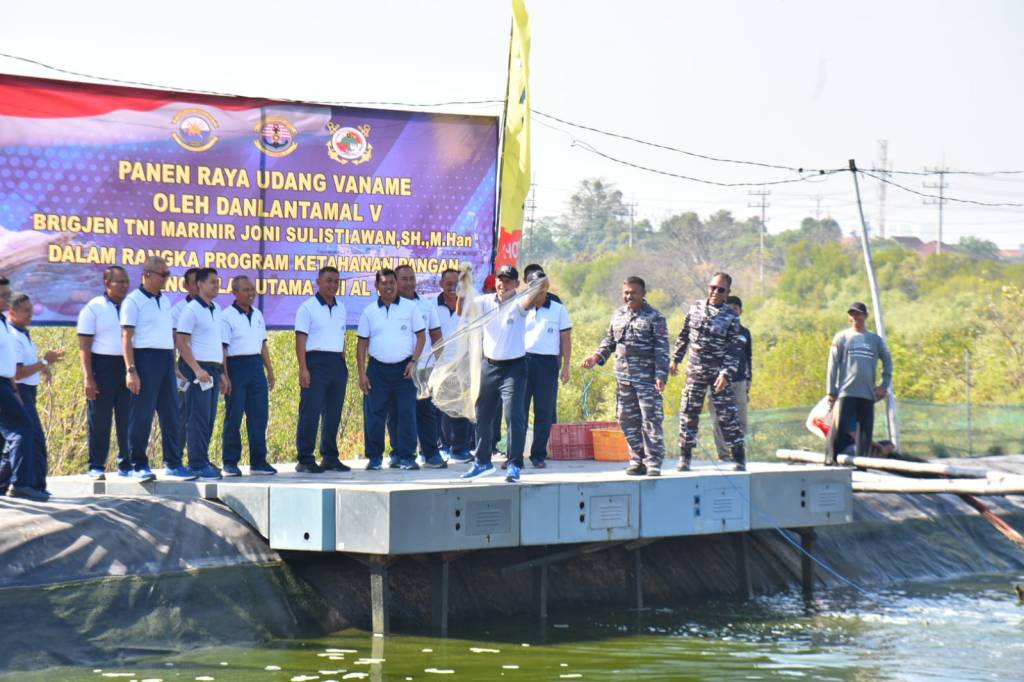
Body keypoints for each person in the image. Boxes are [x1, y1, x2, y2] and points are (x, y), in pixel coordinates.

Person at [457, 264, 548, 482]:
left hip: (514, 369)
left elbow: (536, 291)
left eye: (508, 281)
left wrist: (537, 283)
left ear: (516, 284)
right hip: (489, 366)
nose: (502, 284)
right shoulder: (485, 301)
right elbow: (462, 310)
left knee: (513, 416)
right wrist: (464, 285)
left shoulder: (519, 303)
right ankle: (482, 462)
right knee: (483, 416)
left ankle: (514, 465)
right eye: (500, 280)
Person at [582, 276, 669, 476]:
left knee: (651, 420)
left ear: (643, 294)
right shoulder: (618, 315)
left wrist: (661, 375)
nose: (629, 296)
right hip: (624, 379)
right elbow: (610, 341)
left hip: (647, 380)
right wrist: (596, 357)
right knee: (626, 419)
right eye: (626, 293)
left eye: (633, 293)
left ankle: (653, 462)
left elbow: (662, 350)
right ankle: (637, 459)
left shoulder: (655, 318)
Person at [121, 256, 196, 481]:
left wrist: (173, 367)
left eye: (168, 275)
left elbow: (165, 337)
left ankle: (173, 463)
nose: (166, 279)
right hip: (144, 360)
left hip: (164, 360)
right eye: (163, 275)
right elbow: (126, 337)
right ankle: (138, 465)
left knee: (172, 414)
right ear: (147, 275)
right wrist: (131, 370)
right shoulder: (133, 301)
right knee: (142, 415)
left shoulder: (164, 301)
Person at [671, 272, 746, 471]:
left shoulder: (731, 317)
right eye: (712, 287)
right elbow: (684, 335)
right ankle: (685, 456)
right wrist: (675, 359)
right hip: (695, 372)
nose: (715, 292)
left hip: (718, 374)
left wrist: (726, 373)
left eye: (720, 289)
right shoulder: (695, 308)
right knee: (688, 413)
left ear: (727, 292)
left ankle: (738, 456)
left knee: (727, 416)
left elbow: (734, 349)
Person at [357, 268, 426, 470]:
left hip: (404, 369)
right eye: (384, 283)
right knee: (374, 414)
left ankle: (407, 457)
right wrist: (361, 373)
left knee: (406, 413)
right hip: (377, 370)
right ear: (377, 286)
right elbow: (361, 343)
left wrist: (414, 361)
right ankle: (375, 457)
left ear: (396, 285)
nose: (389, 286)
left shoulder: (410, 308)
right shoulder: (369, 311)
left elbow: (421, 336)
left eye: (392, 283)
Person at [77, 266, 132, 479]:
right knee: (100, 419)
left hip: (127, 367)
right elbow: (84, 346)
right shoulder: (93, 308)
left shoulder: (132, 306)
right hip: (102, 368)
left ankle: (126, 464)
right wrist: (88, 377)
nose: (125, 285)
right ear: (107, 284)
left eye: (127, 281)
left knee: (128, 418)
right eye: (120, 281)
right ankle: (97, 465)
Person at [175, 268, 230, 480]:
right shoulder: (191, 310)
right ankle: (196, 464)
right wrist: (197, 369)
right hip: (197, 370)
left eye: (218, 282)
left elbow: (217, 344)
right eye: (212, 283)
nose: (217, 286)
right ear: (199, 285)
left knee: (208, 419)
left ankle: (203, 459)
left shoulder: (216, 308)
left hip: (213, 370)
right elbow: (181, 342)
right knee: (196, 418)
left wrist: (222, 373)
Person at [294, 266, 351, 473]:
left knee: (333, 412)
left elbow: (342, 337)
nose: (333, 285)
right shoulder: (307, 308)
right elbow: (300, 339)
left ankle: (330, 456)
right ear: (318, 282)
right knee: (310, 411)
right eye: (329, 280)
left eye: (336, 281)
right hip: (315, 362)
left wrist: (343, 363)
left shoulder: (341, 308)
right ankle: (305, 458)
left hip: (336, 361)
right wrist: (303, 368)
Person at [9, 292, 65, 495]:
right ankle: (29, 485)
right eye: (26, 311)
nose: (31, 314)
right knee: (33, 439)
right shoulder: (13, 337)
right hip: (19, 392)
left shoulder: (23, 334)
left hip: (29, 391)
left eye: (32, 310)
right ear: (12, 312)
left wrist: (43, 366)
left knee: (23, 439)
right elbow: (17, 372)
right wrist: (44, 362)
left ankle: (26, 484)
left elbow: (28, 365)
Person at [389, 263, 445, 469]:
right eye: (404, 279)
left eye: (412, 278)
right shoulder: (388, 305)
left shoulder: (426, 306)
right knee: (396, 412)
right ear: (395, 282)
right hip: (397, 367)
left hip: (422, 368)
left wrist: (441, 365)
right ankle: (399, 452)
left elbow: (436, 336)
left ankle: (430, 453)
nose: (409, 283)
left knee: (425, 411)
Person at [220, 275, 277, 476]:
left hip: (255, 367)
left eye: (252, 289)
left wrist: (269, 370)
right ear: (234, 293)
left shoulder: (258, 314)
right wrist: (224, 376)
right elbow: (223, 349)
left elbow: (262, 344)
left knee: (259, 415)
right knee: (234, 416)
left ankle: (259, 461)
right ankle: (230, 461)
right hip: (236, 367)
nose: (251, 293)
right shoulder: (226, 316)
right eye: (245, 290)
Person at [825, 301, 893, 464]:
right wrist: (831, 391)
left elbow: (888, 361)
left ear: (865, 316)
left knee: (865, 434)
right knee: (838, 429)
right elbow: (832, 365)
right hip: (846, 392)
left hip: (867, 394)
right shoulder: (842, 337)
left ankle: (862, 465)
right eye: (852, 314)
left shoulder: (875, 340)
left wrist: (884, 386)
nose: (855, 317)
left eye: (858, 314)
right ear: (849, 318)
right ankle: (830, 462)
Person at [520, 268, 571, 468]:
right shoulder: (520, 307)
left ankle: (538, 455)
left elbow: (566, 339)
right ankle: (514, 455)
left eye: (542, 290)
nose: (538, 295)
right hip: (522, 362)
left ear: (546, 289)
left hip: (547, 364)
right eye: (534, 290)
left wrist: (566, 366)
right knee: (518, 412)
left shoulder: (558, 308)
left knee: (544, 412)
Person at [0, 276, 44, 500]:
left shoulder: (3, 325)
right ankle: (20, 484)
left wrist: (13, 389)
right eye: (4, 296)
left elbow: (7, 364)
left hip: (8, 384)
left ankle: (5, 483)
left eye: (9, 295)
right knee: (22, 428)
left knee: (12, 434)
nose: (7, 300)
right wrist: (45, 362)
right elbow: (17, 368)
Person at [435, 268, 474, 463]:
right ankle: (442, 447)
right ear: (440, 285)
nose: (452, 288)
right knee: (439, 409)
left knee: (460, 408)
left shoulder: (469, 308)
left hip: (463, 364)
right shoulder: (431, 307)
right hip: (439, 366)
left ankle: (460, 449)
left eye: (456, 284)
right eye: (448, 284)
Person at [707, 295, 751, 461]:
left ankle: (738, 453)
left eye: (735, 308)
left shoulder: (745, 332)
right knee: (719, 419)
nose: (732, 311)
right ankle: (724, 455)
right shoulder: (716, 330)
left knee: (741, 419)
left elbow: (748, 358)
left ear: (740, 311)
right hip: (718, 381)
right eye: (729, 308)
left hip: (739, 381)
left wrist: (748, 381)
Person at [171, 267, 199, 454]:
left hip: (206, 368)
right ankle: (176, 457)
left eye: (201, 282)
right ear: (186, 285)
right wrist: (175, 368)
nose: (198, 286)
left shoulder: (212, 309)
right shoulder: (178, 309)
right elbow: (173, 340)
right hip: (185, 368)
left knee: (201, 415)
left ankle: (199, 457)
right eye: (194, 282)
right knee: (182, 413)